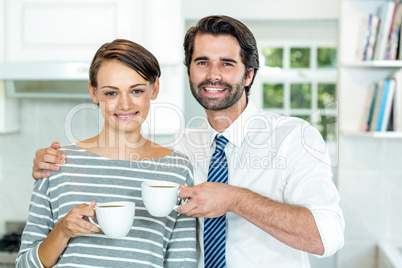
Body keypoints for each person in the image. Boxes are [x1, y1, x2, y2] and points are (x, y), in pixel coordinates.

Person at [31, 16, 344, 267]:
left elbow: (325, 238)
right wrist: (56, 162)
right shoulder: (181, 147)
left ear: (248, 75)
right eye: (202, 62)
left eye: (227, 63)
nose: (213, 75)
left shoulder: (293, 138)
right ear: (190, 71)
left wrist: (235, 199)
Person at [17, 39, 197, 268]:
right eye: (111, 93)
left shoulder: (178, 169)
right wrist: (62, 231)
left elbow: (183, 262)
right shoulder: (57, 163)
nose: (124, 104)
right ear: (94, 92)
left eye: (136, 90)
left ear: (155, 88)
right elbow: (24, 264)